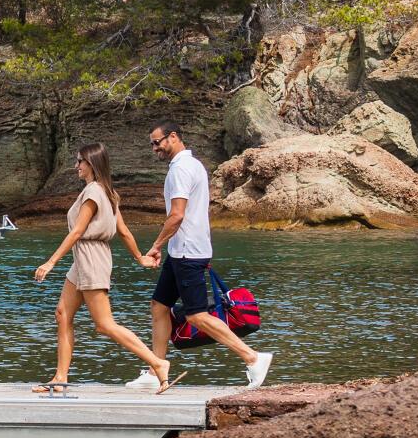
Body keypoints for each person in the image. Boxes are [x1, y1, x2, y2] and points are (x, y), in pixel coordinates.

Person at [30, 143, 173, 394]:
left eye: (80, 162)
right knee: (63, 314)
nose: (76, 166)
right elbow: (124, 232)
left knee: (104, 324)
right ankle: (60, 378)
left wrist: (50, 262)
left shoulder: (94, 192)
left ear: (92, 164)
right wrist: (139, 257)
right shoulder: (108, 192)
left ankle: (157, 363)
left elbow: (77, 232)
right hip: (83, 259)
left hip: (91, 258)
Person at [140, 124, 272, 389]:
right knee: (159, 306)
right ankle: (156, 371)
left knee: (197, 315)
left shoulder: (180, 169)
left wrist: (155, 246)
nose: (155, 149)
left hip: (188, 252)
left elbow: (177, 214)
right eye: (152, 144)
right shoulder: (195, 165)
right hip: (182, 251)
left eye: (158, 142)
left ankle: (253, 358)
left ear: (174, 137)